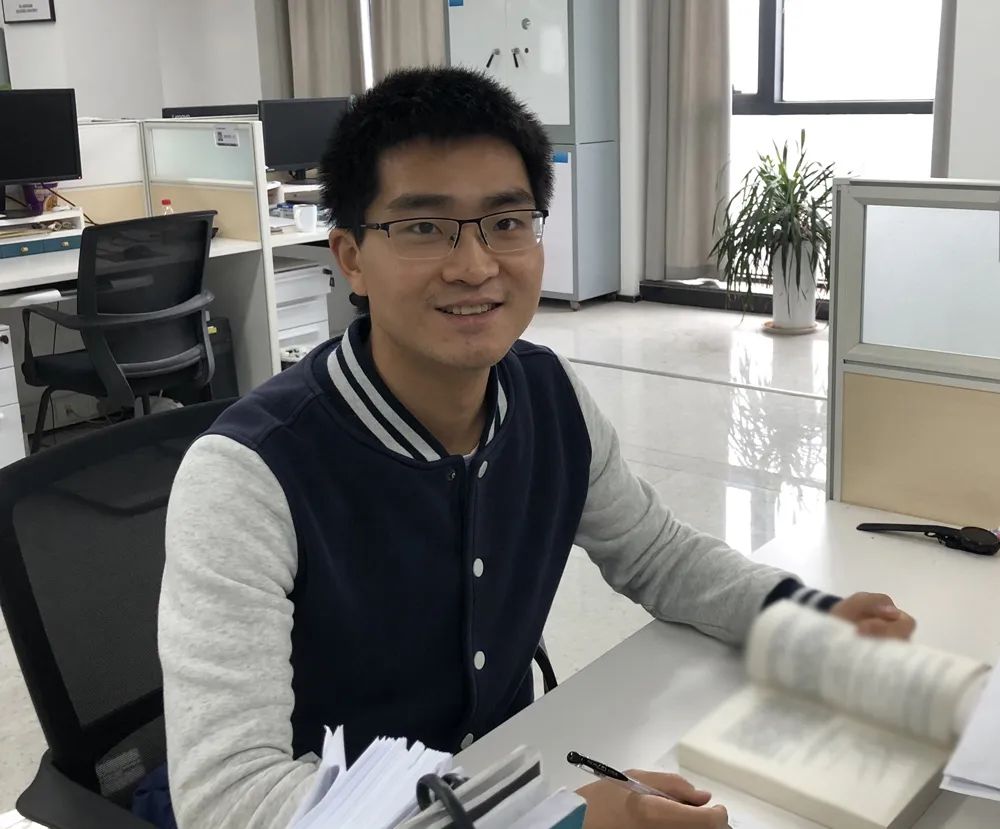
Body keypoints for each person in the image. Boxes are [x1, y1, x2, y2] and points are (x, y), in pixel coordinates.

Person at [158, 66, 915, 829]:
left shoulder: (546, 394)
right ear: (350, 256)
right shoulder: (248, 475)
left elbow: (659, 555)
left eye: (507, 222)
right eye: (423, 228)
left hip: (513, 770)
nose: (475, 265)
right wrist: (535, 820)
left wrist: (800, 613)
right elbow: (230, 797)